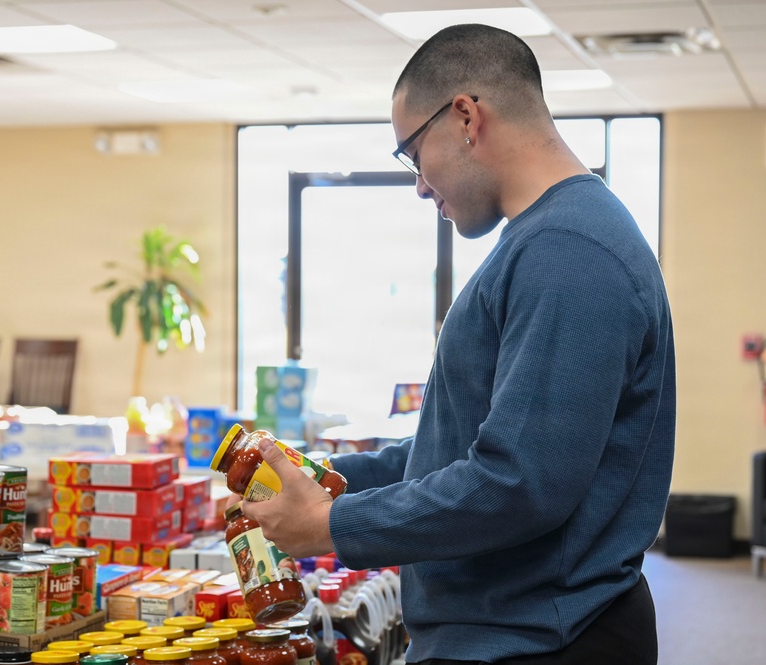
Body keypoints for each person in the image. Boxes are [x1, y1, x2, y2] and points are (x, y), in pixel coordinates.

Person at [241, 23, 675, 665]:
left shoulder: (565, 253)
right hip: (511, 630)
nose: (417, 184)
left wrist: (333, 526)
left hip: (538, 640)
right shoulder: (542, 240)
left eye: (413, 153)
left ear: (467, 116)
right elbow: (469, 443)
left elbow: (518, 484)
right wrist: (327, 477)